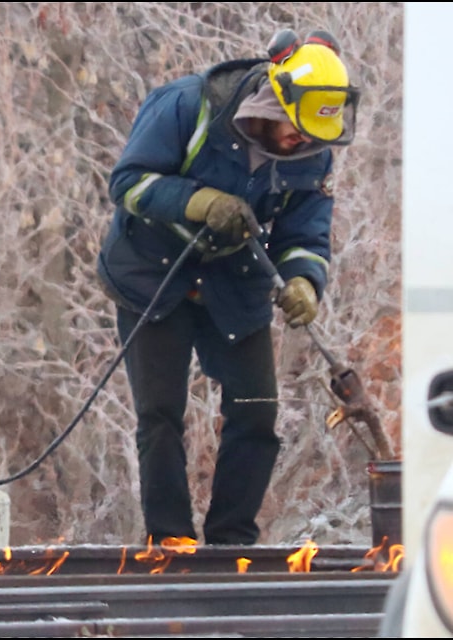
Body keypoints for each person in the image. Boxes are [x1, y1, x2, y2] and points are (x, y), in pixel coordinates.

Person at [96, 29, 360, 545]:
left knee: (257, 412)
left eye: (314, 136)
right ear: (273, 102)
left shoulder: (314, 151)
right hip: (154, 273)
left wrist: (306, 280)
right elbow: (127, 183)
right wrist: (197, 202)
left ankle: (231, 540)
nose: (302, 142)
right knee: (160, 412)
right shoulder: (187, 106)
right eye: (295, 131)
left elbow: (305, 232)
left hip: (235, 279)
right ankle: (170, 539)